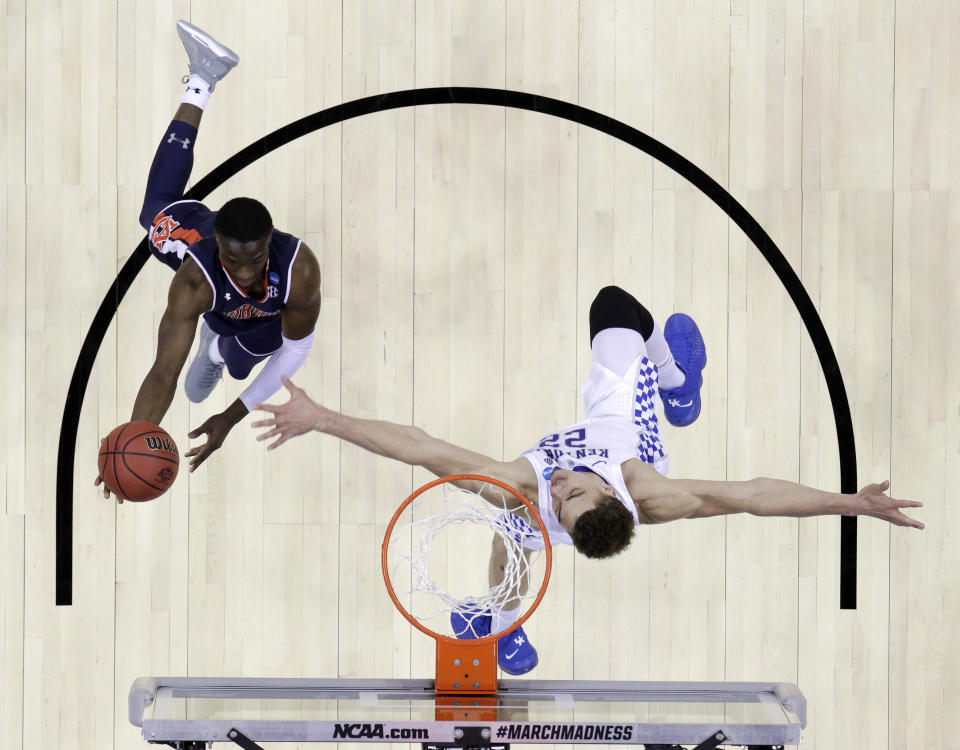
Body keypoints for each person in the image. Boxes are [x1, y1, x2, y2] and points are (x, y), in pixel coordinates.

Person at [253, 303, 922, 668]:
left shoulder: (534, 489)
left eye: (561, 501)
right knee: (616, 307)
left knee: (511, 521)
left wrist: (323, 420)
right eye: (572, 494)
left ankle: (504, 623)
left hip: (536, 501)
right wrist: (848, 502)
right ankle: (678, 385)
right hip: (619, 424)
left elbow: (423, 448)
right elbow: (752, 496)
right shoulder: (646, 488)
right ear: (606, 495)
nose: (560, 486)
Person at [96, 21, 322, 501]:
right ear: (214, 238)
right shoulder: (194, 280)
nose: (243, 271)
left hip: (264, 323)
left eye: (254, 259)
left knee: (239, 360)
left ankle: (215, 352)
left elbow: (296, 351)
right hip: (207, 287)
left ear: (270, 243)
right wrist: (131, 443)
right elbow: (162, 371)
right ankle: (204, 77)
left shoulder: (299, 271)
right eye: (232, 260)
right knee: (154, 216)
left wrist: (231, 416)